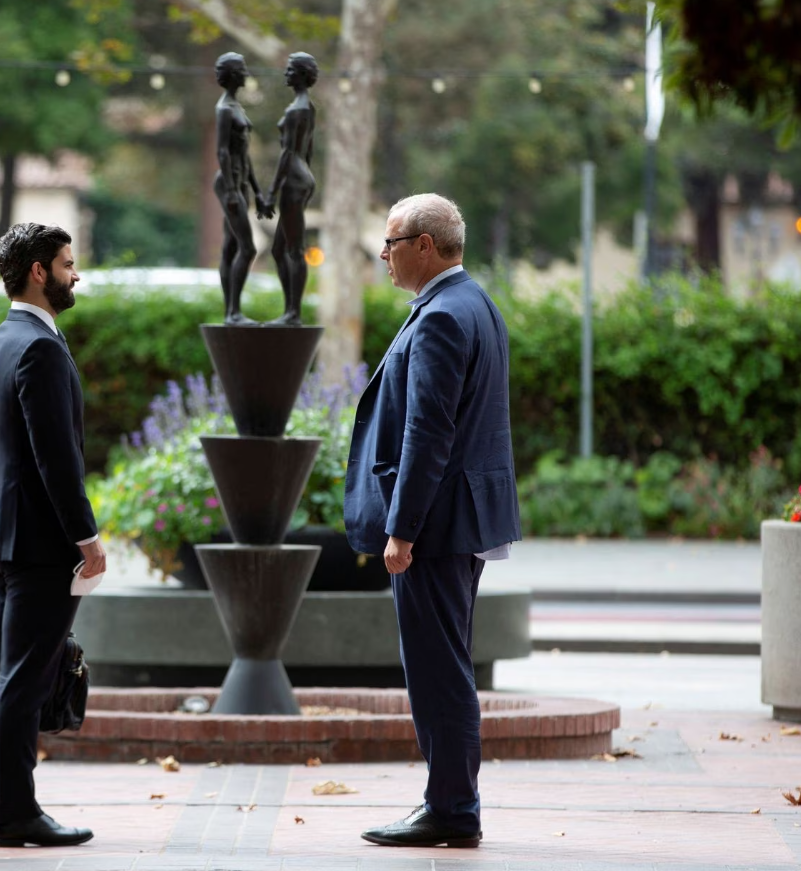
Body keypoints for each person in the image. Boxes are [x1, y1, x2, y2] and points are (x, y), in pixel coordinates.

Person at [343, 194, 521, 848]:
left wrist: (402, 527)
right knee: (446, 664)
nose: (382, 255)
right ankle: (451, 801)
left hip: (437, 527)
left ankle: (450, 807)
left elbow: (428, 432)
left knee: (436, 669)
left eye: (389, 242)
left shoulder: (444, 315)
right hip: (462, 521)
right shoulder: (473, 302)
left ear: (423, 244)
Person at [0, 222, 107, 848]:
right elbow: (57, 460)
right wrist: (87, 539)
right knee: (23, 678)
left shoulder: (1, 339)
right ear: (39, 272)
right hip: (41, 544)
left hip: (3, 536)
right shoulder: (40, 347)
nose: (76, 275)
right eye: (68, 265)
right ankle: (15, 813)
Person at [262, 52, 319, 326]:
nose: (286, 74)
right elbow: (307, 150)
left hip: (293, 180)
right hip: (301, 177)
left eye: (290, 70)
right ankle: (290, 310)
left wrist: (271, 194)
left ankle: (293, 313)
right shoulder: (307, 106)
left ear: (301, 73)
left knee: (294, 248)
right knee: (278, 249)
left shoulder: (298, 109)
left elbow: (288, 154)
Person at [213, 52, 269, 324]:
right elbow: (222, 152)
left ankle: (231, 312)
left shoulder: (237, 107)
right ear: (233, 74)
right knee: (247, 248)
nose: (246, 73)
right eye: (242, 69)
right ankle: (232, 311)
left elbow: (244, 157)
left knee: (231, 245)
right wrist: (234, 189)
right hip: (228, 183)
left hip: (239, 183)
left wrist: (256, 191)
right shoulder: (224, 108)